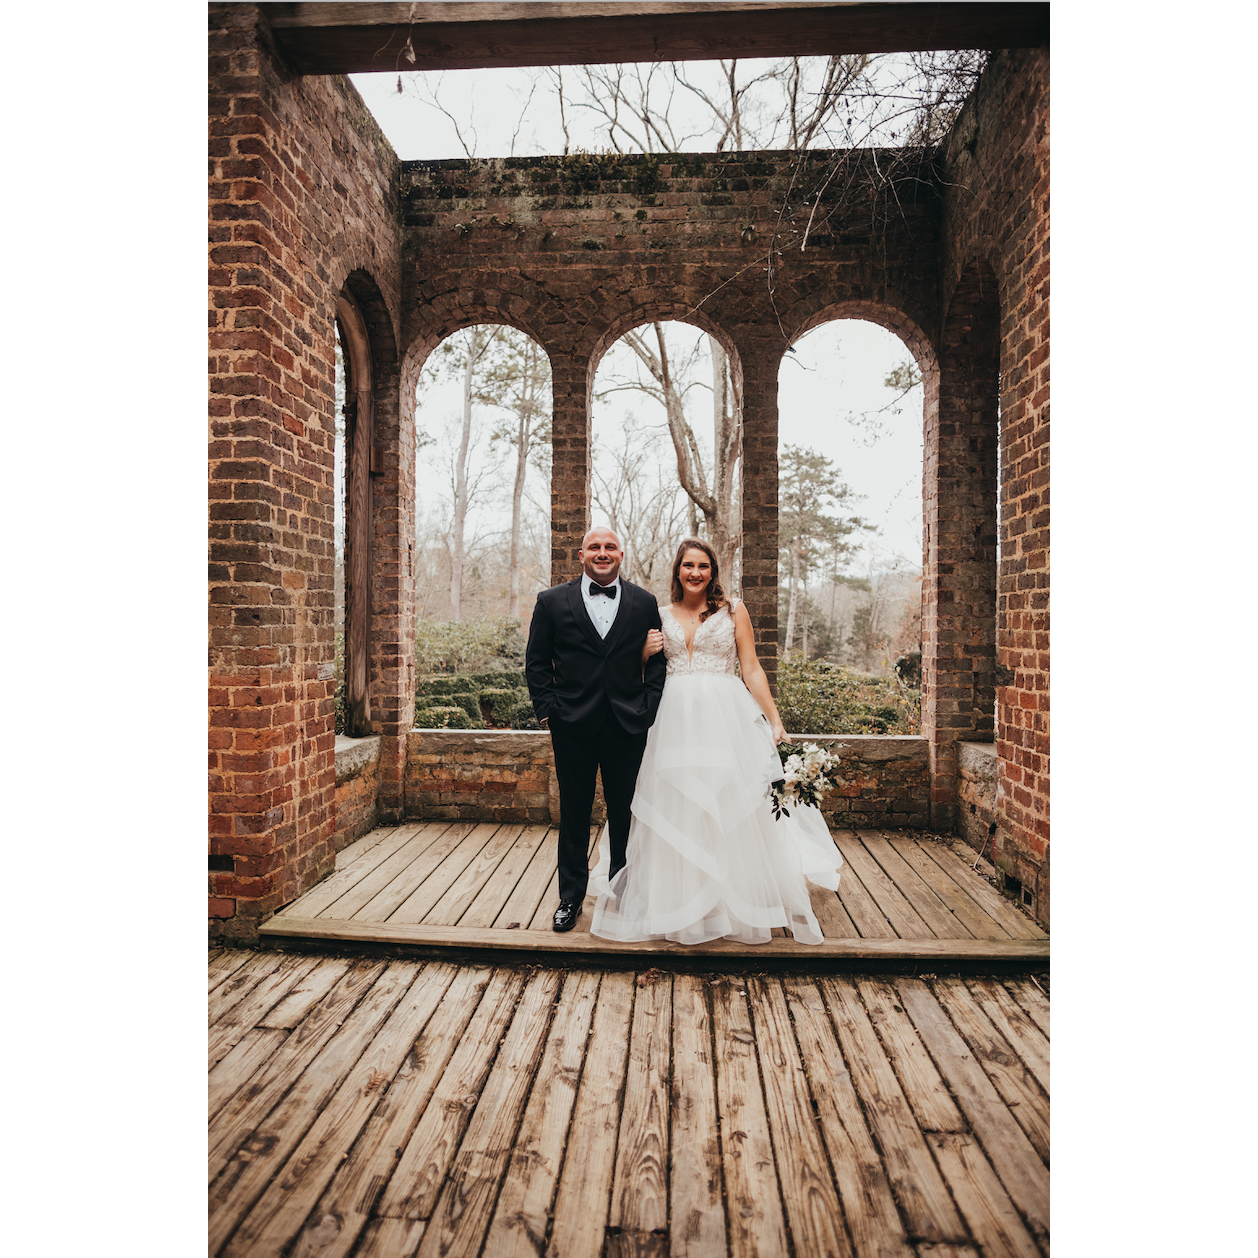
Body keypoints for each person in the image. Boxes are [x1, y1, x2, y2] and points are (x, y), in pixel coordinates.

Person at [589, 538, 842, 945]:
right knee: (678, 804)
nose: (695, 573)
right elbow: (630, 671)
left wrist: (774, 720)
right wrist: (641, 653)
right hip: (672, 718)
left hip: (728, 718)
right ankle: (680, 899)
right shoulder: (657, 614)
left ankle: (734, 900)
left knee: (732, 804)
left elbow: (752, 669)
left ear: (713, 572)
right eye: (688, 565)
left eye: (703, 566)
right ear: (677, 571)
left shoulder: (733, 610)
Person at [525, 526, 667, 932]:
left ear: (621, 554)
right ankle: (570, 898)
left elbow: (658, 661)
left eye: (609, 547)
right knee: (574, 813)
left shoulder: (644, 602)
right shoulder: (551, 601)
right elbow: (536, 663)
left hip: (627, 724)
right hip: (572, 725)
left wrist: (648, 707)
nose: (602, 553)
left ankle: (623, 892)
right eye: (594, 547)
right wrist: (548, 711)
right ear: (581, 554)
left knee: (626, 811)